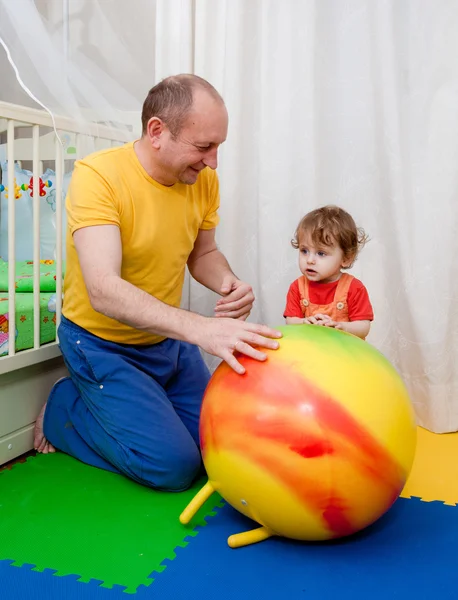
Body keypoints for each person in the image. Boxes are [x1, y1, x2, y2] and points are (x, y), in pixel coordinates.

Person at [33, 74, 282, 492]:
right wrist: (201, 328)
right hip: (102, 344)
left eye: (218, 146)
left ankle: (144, 404)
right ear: (157, 132)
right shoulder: (98, 177)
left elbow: (202, 254)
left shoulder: (203, 181)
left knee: (222, 446)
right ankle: (64, 408)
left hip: (165, 343)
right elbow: (103, 288)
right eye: (204, 146)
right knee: (174, 468)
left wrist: (229, 282)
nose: (214, 161)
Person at [284, 205, 373, 339]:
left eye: (321, 253)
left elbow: (363, 327)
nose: (310, 260)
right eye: (304, 251)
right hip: (310, 352)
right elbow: (290, 321)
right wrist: (303, 322)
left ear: (346, 258)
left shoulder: (354, 288)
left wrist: (342, 327)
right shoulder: (297, 287)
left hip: (345, 353)